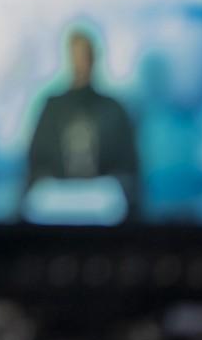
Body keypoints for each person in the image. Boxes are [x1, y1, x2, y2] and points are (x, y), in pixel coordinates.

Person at [27, 30, 142, 216]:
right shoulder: (52, 108)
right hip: (58, 199)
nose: (80, 63)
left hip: (101, 200)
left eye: (85, 56)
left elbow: (127, 166)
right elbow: (36, 161)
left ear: (94, 58)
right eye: (76, 56)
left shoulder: (113, 109)